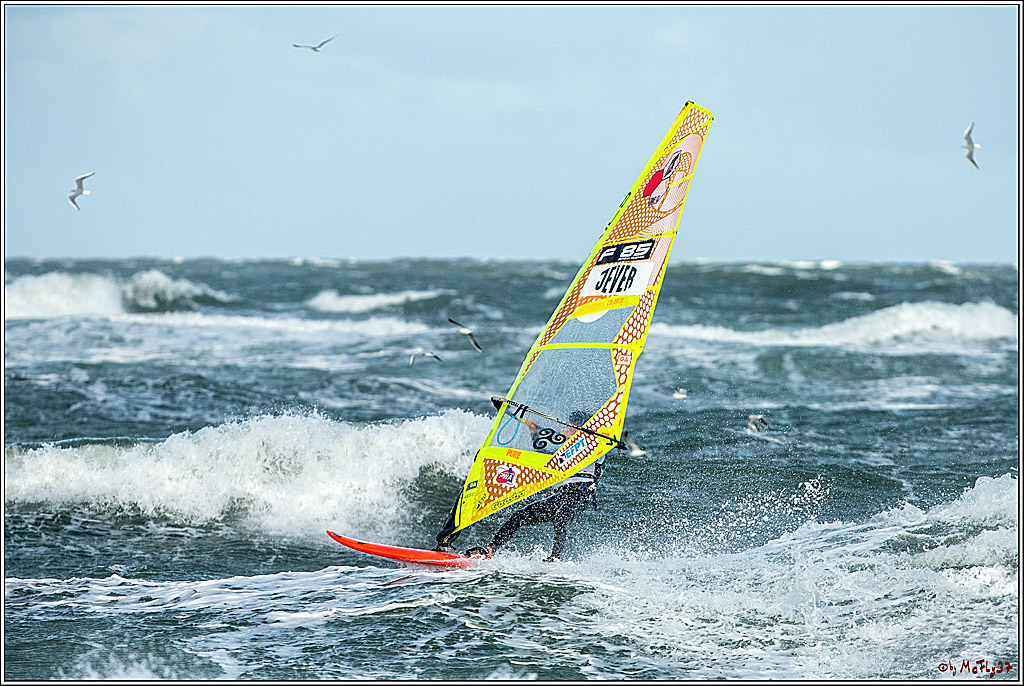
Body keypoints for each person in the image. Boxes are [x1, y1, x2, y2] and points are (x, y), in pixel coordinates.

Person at [464, 410, 605, 562]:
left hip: (580, 494)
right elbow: (542, 452)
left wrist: (567, 437)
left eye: (573, 426)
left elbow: (584, 448)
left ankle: (554, 558)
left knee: (561, 515)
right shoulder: (566, 449)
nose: (569, 428)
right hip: (561, 494)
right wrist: (534, 432)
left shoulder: (596, 446)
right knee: (519, 516)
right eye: (569, 425)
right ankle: (490, 549)